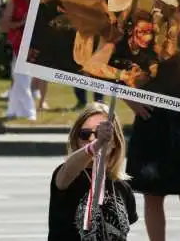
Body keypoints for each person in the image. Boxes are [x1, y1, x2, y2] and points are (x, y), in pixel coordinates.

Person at [49, 102, 137, 240]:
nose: (92, 139)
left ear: (115, 141)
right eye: (85, 134)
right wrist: (96, 145)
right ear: (76, 139)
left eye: (101, 133)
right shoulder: (68, 174)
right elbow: (68, 169)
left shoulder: (122, 187)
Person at [2, 0, 37, 121]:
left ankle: (12, 110)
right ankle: (29, 112)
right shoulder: (15, 1)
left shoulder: (39, 2)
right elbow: (4, 25)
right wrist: (21, 23)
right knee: (21, 77)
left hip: (33, 44)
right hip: (17, 42)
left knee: (21, 78)